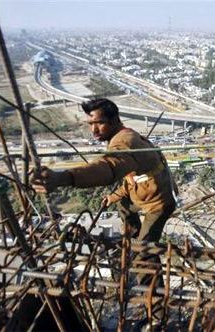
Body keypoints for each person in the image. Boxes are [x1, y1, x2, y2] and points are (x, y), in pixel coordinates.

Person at [32, 98, 176, 325]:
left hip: (158, 203)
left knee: (145, 254)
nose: (94, 130)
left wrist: (64, 177)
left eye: (98, 123)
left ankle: (156, 312)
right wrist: (114, 196)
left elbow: (108, 167)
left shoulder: (125, 141)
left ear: (114, 120)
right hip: (143, 193)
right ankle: (130, 239)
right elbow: (131, 180)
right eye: (90, 124)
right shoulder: (122, 137)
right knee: (122, 205)